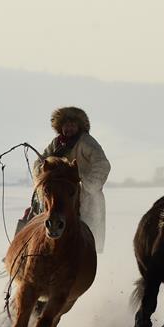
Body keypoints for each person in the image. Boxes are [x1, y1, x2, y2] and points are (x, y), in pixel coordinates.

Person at [32, 106, 111, 253]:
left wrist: (85, 183)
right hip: (57, 195)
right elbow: (40, 163)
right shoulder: (56, 143)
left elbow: (102, 164)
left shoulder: (86, 142)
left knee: (83, 235)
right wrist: (44, 177)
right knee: (32, 216)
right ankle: (21, 251)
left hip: (84, 197)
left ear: (79, 126)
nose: (68, 128)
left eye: (72, 124)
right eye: (65, 125)